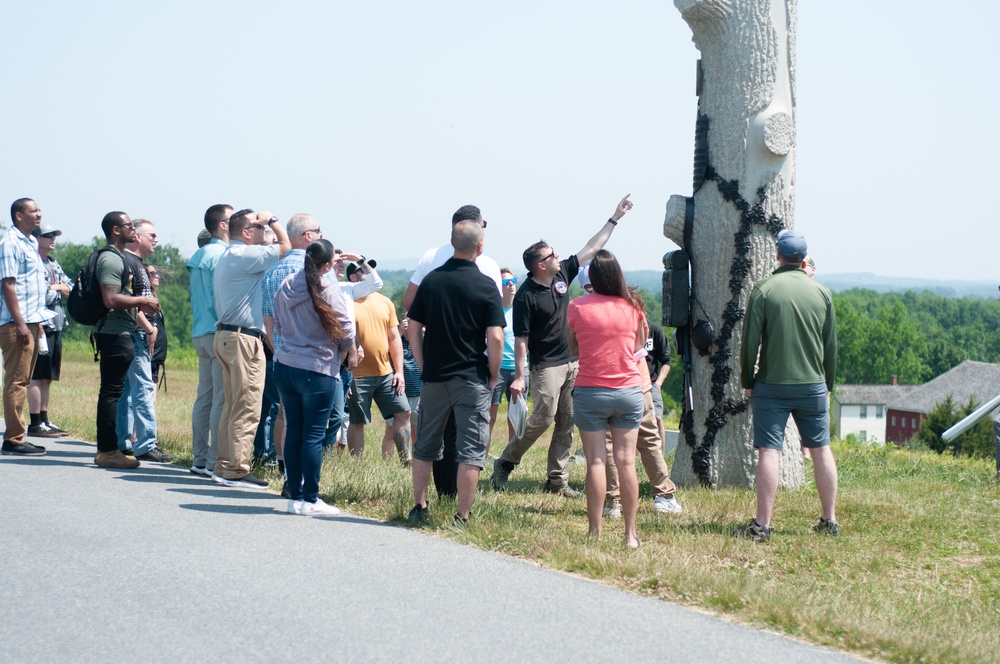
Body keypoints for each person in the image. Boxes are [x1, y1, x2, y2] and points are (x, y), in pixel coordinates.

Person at [491, 194, 633, 496]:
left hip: (572, 362)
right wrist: (519, 375)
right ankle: (506, 461)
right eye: (552, 254)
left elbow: (592, 247)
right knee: (543, 418)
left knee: (568, 421)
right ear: (540, 265)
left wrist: (615, 217)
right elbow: (521, 339)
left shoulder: (562, 275)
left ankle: (557, 480)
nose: (558, 256)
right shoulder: (527, 295)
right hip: (546, 366)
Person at [736, 229, 838, 542]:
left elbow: (750, 341)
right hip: (813, 384)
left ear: (778, 255)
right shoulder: (822, 293)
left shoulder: (764, 289)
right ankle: (829, 519)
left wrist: (747, 380)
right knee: (821, 449)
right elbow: (830, 346)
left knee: (770, 450)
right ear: (804, 258)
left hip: (771, 383)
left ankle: (762, 525)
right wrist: (828, 385)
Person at [405, 220, 505, 527]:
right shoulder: (487, 285)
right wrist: (493, 373)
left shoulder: (432, 281)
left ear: (451, 241)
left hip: (435, 375)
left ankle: (420, 506)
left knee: (425, 444)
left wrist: (423, 366)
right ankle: (462, 515)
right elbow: (497, 337)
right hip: (472, 376)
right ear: (480, 246)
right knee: (470, 450)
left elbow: (412, 327)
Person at [566, 250, 645, 549]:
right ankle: (630, 535)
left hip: (591, 391)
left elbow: (574, 347)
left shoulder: (576, 306)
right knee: (627, 463)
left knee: (596, 462)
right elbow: (637, 346)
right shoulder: (633, 306)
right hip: (628, 391)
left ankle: (595, 531)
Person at [274, 239, 357, 516]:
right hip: (318, 367)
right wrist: (349, 350)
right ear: (325, 265)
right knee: (312, 435)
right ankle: (310, 498)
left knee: (295, 430)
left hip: (286, 364)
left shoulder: (287, 284)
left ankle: (294, 496)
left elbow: (278, 320)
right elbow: (345, 327)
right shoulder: (327, 288)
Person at [212, 209, 289, 488]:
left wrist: (264, 226)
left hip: (227, 336)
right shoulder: (245, 256)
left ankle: (223, 464)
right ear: (246, 233)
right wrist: (274, 220)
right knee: (247, 406)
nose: (264, 232)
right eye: (259, 228)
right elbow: (286, 247)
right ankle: (237, 469)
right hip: (244, 339)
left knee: (231, 405)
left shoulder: (229, 256)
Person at [603, 289, 682, 519]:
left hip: (608, 384)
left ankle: (613, 502)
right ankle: (663, 496)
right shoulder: (638, 319)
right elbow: (640, 347)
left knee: (609, 445)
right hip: (638, 385)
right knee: (649, 440)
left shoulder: (604, 317)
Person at [93, 211, 161, 469]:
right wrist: (143, 302)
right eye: (127, 225)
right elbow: (110, 299)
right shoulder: (112, 259)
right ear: (115, 231)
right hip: (116, 332)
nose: (132, 228)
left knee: (115, 392)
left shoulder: (119, 258)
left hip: (120, 331)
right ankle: (109, 450)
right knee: (112, 392)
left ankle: (112, 447)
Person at [260, 214, 326, 470]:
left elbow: (268, 324)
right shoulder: (317, 270)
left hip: (283, 357)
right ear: (308, 236)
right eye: (318, 231)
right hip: (315, 358)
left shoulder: (271, 272)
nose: (321, 235)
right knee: (311, 424)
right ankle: (304, 480)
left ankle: (285, 466)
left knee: (286, 414)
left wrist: (280, 351)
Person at [0, 198, 55, 456]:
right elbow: (8, 285)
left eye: (40, 210)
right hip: (15, 323)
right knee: (17, 381)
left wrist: (37, 322)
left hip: (32, 322)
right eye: (33, 211)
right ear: (18, 215)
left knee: (23, 379)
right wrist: (21, 324)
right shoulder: (10, 243)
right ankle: (14, 439)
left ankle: (17, 434)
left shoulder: (31, 242)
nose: (39, 214)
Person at [116, 218, 172, 463]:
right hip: (135, 333)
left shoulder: (135, 262)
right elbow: (125, 301)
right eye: (152, 235)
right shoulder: (129, 262)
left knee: (128, 391)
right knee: (143, 388)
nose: (156, 239)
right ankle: (146, 444)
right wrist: (149, 327)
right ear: (138, 237)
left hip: (133, 333)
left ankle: (123, 442)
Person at [346, 260, 410, 462]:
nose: (367, 273)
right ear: (352, 279)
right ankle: (357, 465)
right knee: (357, 422)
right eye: (362, 271)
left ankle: (405, 458)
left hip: (385, 373)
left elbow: (394, 338)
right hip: (357, 374)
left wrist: (398, 371)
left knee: (403, 412)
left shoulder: (385, 302)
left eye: (368, 270)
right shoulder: (346, 301)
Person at [186, 204, 231, 478]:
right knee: (220, 400)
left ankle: (199, 458)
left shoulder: (198, 253)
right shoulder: (224, 256)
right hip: (217, 331)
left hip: (199, 331)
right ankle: (214, 461)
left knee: (203, 398)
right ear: (223, 225)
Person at [27, 221, 72, 438]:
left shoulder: (53, 263)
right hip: (40, 326)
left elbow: (70, 288)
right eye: (48, 235)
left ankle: (45, 419)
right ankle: (35, 422)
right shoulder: (34, 263)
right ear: (36, 238)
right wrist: (57, 289)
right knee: (37, 375)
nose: (52, 239)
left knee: (48, 377)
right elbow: (42, 295)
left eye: (54, 235)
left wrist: (57, 287)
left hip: (56, 325)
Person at [486, 268, 520, 450]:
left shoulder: (521, 309)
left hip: (519, 369)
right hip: (497, 368)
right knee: (489, 416)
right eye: (506, 282)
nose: (511, 285)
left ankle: (510, 460)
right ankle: (481, 458)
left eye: (512, 280)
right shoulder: (493, 310)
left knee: (516, 417)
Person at [145, 264, 167, 390]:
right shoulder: (145, 299)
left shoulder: (153, 297)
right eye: (152, 273)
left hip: (156, 356)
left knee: (151, 395)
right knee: (148, 394)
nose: (157, 276)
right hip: (150, 355)